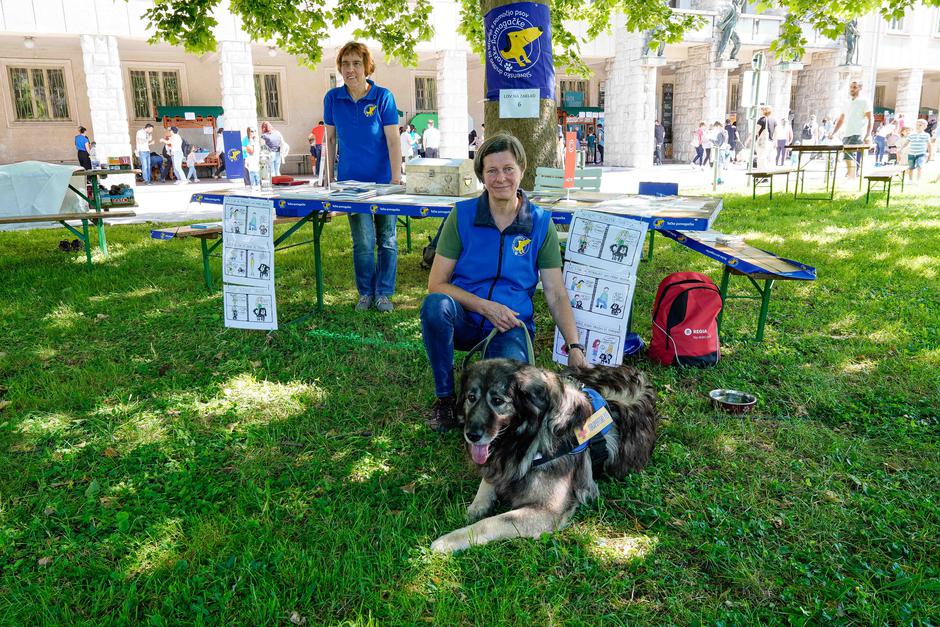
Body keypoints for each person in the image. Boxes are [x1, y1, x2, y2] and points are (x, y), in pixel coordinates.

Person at [420, 133, 587, 432]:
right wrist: (485, 307)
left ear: (522, 169)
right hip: (466, 318)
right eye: (491, 171)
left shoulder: (539, 222)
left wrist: (574, 346)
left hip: (510, 325)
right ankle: (446, 399)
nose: (501, 178)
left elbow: (556, 292)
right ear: (481, 176)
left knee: (511, 393)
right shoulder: (461, 216)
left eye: (508, 169)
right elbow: (437, 283)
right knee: (435, 306)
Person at [324, 41, 402, 313]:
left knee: (387, 239)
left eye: (357, 63)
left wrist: (395, 179)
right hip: (349, 185)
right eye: (345, 64)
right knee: (364, 242)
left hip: (382, 182)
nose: (350, 69)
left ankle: (384, 293)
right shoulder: (332, 98)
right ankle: (366, 294)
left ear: (367, 66)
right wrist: (327, 178)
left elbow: (393, 140)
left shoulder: (383, 97)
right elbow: (329, 139)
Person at [828, 80, 872, 180]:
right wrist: (833, 132)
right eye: (851, 87)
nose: (852, 89)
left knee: (849, 156)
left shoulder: (864, 101)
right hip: (846, 133)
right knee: (847, 156)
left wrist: (868, 134)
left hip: (857, 132)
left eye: (854, 87)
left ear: (860, 88)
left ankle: (851, 178)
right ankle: (851, 176)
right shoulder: (846, 102)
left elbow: (870, 118)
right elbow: (841, 118)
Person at [902, 118, 932, 183]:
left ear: (925, 127)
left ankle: (918, 180)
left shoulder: (926, 135)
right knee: (911, 167)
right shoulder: (911, 134)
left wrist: (930, 154)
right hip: (911, 153)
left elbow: (929, 145)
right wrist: (901, 149)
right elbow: (906, 143)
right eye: (917, 125)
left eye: (920, 125)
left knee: (920, 166)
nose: (918, 126)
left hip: (921, 154)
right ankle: (910, 180)